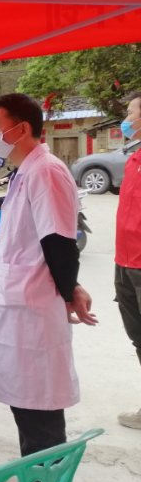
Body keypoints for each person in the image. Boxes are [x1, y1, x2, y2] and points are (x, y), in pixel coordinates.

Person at [0, 93, 97, 466]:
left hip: (33, 311)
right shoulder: (25, 171)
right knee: (26, 407)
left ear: (22, 129)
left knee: (40, 413)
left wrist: (69, 290)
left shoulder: (46, 171)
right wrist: (72, 287)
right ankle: (33, 481)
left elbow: (59, 242)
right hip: (20, 309)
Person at [115, 91, 141, 429]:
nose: (127, 119)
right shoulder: (133, 159)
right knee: (138, 338)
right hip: (125, 263)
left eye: (132, 112)